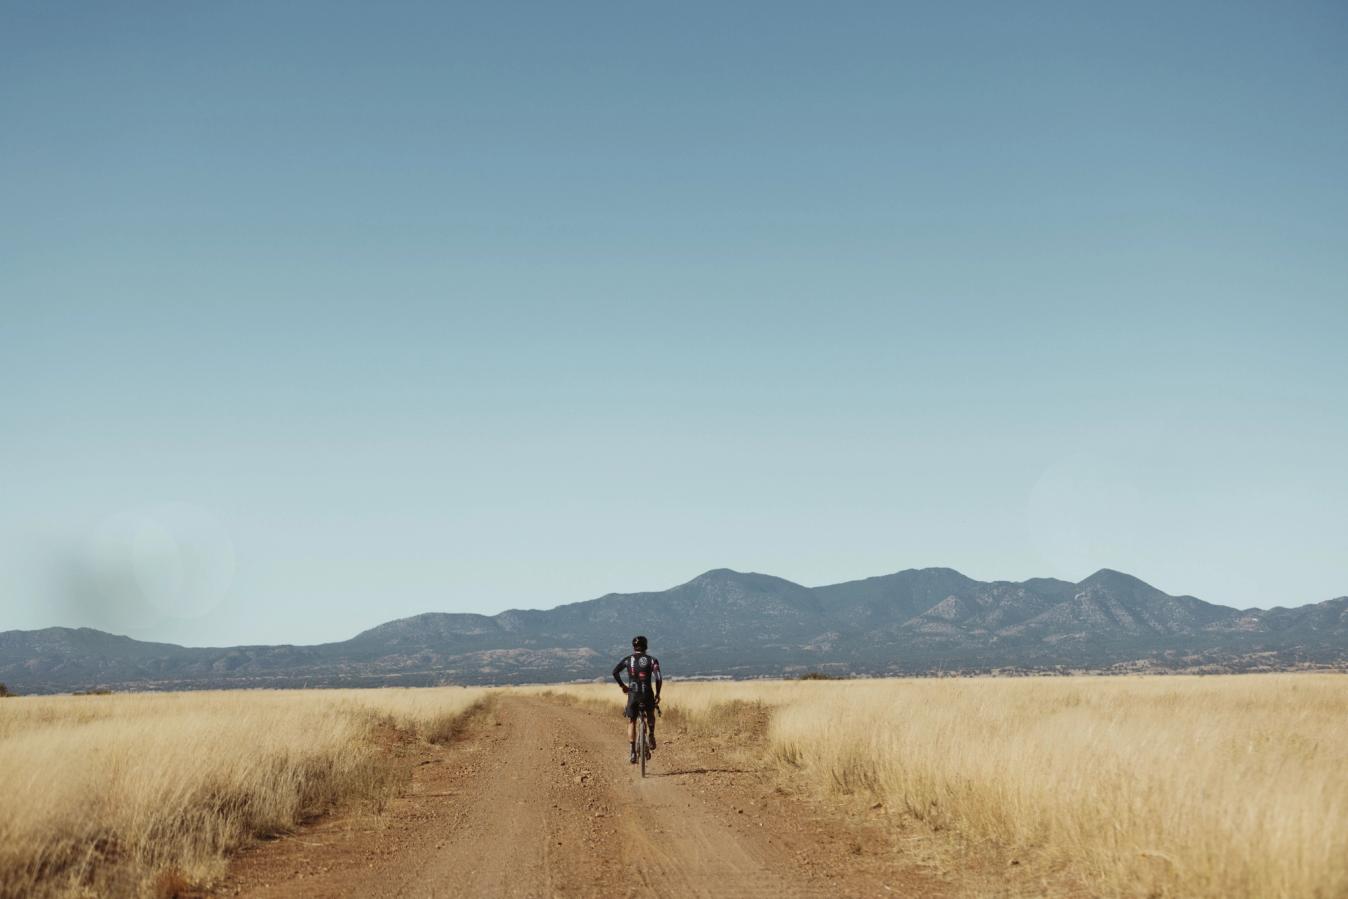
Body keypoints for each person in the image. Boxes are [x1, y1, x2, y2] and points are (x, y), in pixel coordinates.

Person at [612, 635, 662, 764]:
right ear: (646, 646)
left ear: (633, 647)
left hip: (633, 695)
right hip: (647, 694)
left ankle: (633, 751)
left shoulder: (628, 660)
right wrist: (657, 694)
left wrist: (623, 686)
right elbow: (658, 678)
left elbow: (615, 672)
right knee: (650, 713)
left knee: (632, 721)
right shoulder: (652, 660)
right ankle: (651, 735)